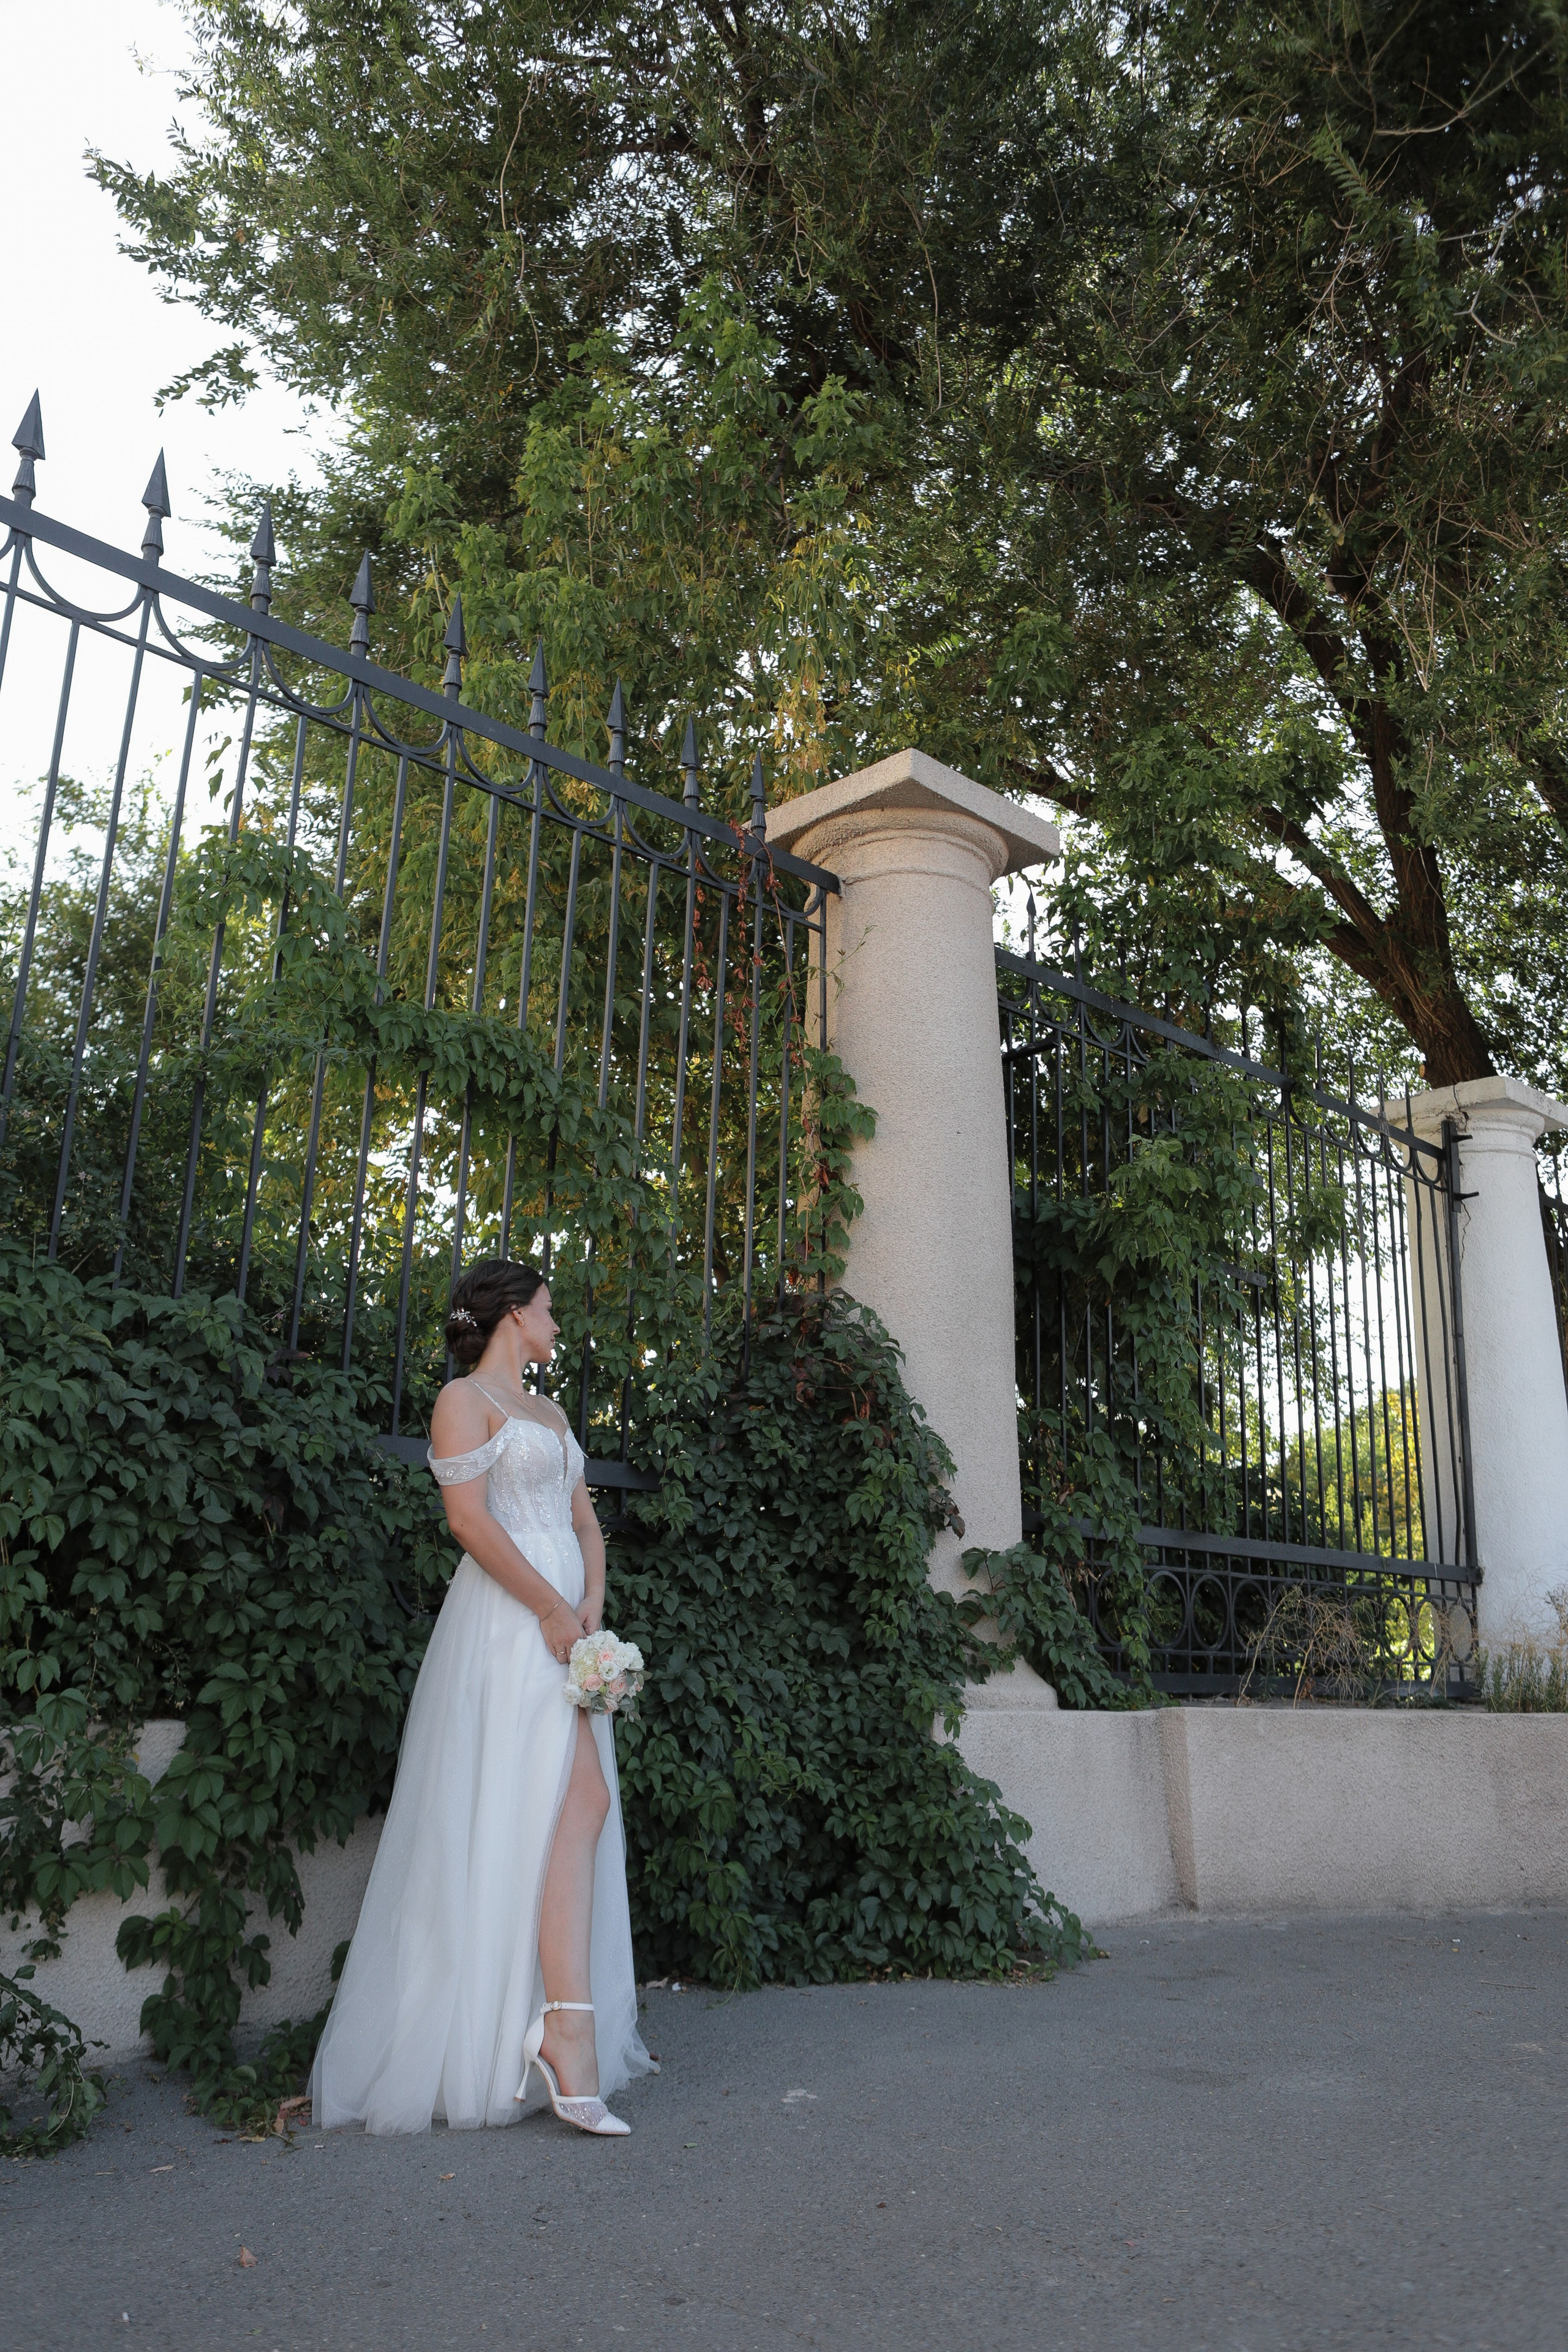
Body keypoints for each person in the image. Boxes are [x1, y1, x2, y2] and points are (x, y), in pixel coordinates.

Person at [310, 1259, 654, 2136]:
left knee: (573, 1806)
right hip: (508, 1626)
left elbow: (585, 1522)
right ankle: (553, 2034)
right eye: (548, 1307)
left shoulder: (553, 1413)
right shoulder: (463, 1401)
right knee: (544, 1802)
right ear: (513, 1315)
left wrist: (590, 1603)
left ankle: (557, 2026)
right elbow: (468, 1522)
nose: (556, 1322)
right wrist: (547, 1608)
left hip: (566, 1624)